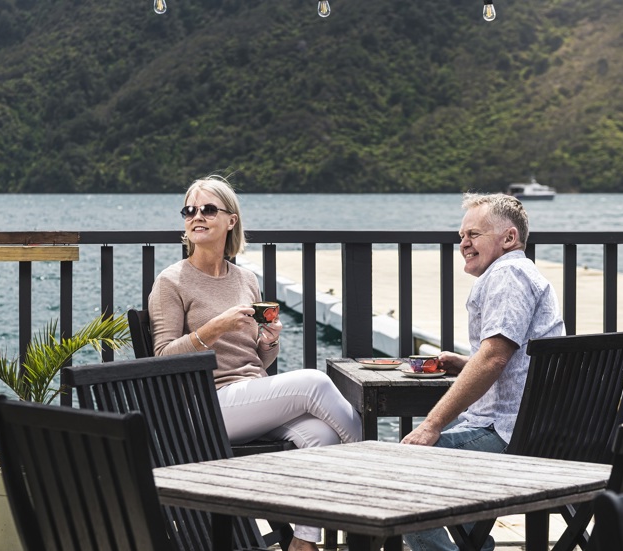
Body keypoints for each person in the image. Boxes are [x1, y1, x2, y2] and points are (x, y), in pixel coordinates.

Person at [148, 175, 362, 551]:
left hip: (248, 398)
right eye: (190, 210)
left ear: (231, 220)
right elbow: (162, 358)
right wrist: (214, 329)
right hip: (204, 407)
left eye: (208, 209)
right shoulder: (172, 281)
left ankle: (303, 543)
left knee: (323, 436)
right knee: (313, 382)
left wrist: (269, 341)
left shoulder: (245, 279)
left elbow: (255, 360)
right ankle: (375, 479)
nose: (197, 216)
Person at [401, 193, 565, 551]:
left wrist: (433, 424)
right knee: (425, 466)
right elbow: (502, 355)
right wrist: (467, 362)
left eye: (473, 234)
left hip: (513, 434)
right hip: (537, 426)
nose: (463, 244)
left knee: (405, 471)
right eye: (461, 236)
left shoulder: (508, 275)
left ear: (508, 238)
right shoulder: (522, 273)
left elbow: (494, 358)